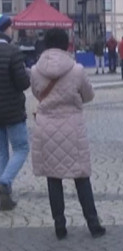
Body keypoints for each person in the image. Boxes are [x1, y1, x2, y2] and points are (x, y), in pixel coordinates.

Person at [29, 29, 105, 239]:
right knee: (81, 176)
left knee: (53, 177)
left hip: (46, 126)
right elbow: (89, 95)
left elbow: (37, 93)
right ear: (66, 45)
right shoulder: (77, 69)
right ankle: (93, 224)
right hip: (73, 125)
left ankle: (60, 226)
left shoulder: (35, 70)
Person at [0, 15, 31, 211]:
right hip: (12, 110)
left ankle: (4, 198)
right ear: (7, 29)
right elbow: (22, 83)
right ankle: (4, 182)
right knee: (21, 148)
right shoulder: (13, 52)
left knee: (2, 152)